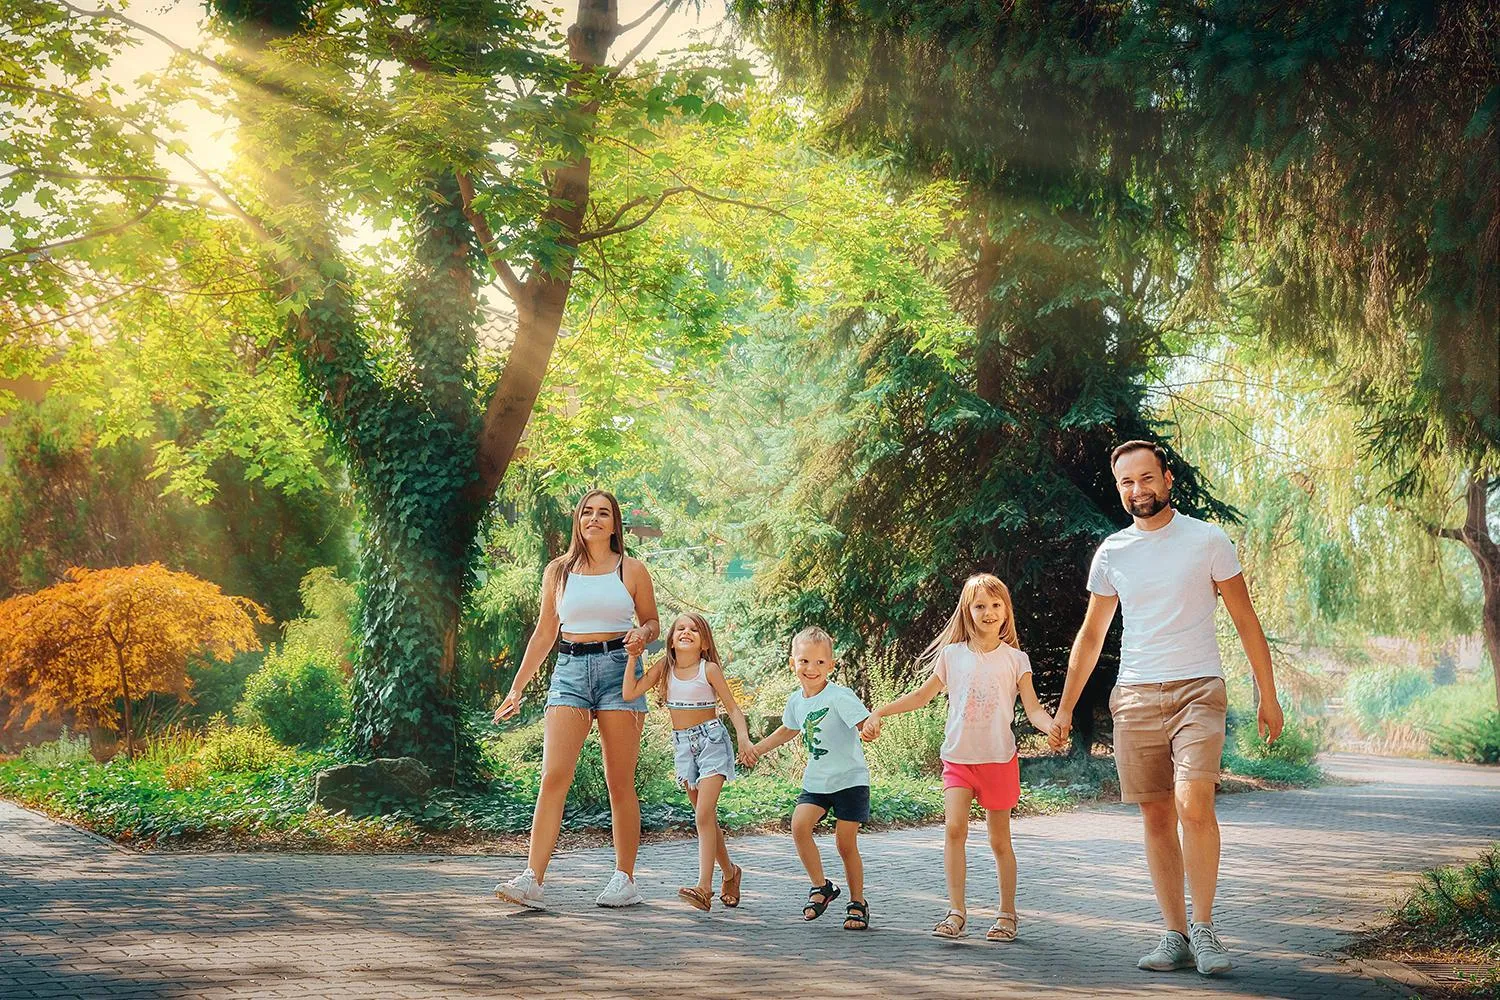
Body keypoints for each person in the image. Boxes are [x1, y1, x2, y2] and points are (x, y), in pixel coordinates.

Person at [1049, 440, 1284, 975]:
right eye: (1127, 482)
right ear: (1119, 488)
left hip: (1199, 688)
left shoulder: (1207, 540)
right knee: (1156, 813)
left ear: (1167, 478)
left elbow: (1247, 621)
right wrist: (1064, 710)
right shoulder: (1112, 553)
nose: (1139, 490)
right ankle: (1174, 934)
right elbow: (1090, 637)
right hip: (1134, 696)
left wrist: (1267, 694)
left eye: (1146, 478)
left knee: (1193, 802)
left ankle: (1204, 931)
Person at [861, 573, 1054, 942]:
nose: (988, 612)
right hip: (958, 760)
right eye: (980, 605)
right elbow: (921, 697)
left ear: (1006, 611)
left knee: (1000, 841)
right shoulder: (952, 656)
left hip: (999, 760)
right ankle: (956, 912)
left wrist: (1052, 729)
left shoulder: (1016, 659)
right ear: (967, 611)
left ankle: (1006, 915)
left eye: (996, 605)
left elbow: (1033, 711)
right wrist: (879, 712)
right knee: (954, 830)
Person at [491, 489, 660, 910]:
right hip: (568, 671)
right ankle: (532, 878)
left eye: (604, 513)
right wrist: (516, 687)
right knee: (554, 777)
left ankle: (625, 879)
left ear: (614, 523)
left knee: (618, 781)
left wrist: (643, 634)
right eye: (588, 512)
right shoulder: (559, 571)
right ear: (578, 520)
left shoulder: (632, 569)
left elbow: (653, 621)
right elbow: (545, 632)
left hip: (619, 670)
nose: (595, 518)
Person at [622, 612, 756, 911]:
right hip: (683, 746)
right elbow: (629, 692)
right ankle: (731, 873)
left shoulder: (708, 670)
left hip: (711, 742)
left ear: (704, 642)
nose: (686, 632)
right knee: (704, 816)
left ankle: (704, 888)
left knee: (704, 813)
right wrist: (633, 657)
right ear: (670, 639)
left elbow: (733, 710)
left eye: (694, 629)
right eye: (680, 628)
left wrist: (744, 740)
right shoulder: (664, 668)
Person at [743, 626, 872, 931]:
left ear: (831, 665)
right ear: (792, 663)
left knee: (844, 843)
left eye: (819, 663)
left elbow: (864, 722)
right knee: (799, 826)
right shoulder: (796, 701)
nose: (810, 669)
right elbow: (788, 729)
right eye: (804, 662)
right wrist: (757, 749)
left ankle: (857, 902)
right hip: (817, 781)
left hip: (850, 780)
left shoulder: (840, 696)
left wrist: (870, 728)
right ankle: (822, 887)